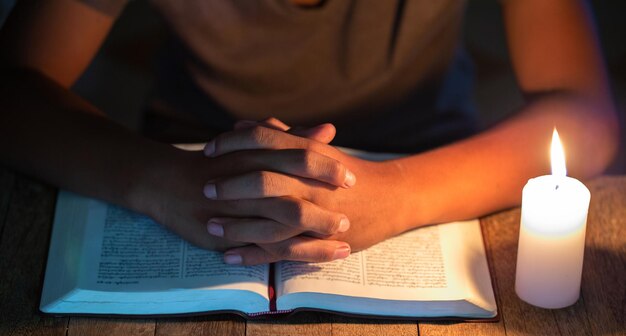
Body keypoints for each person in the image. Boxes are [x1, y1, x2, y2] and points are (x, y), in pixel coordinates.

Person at [0, 0, 618, 265]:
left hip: (438, 162)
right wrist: (157, 179)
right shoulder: (171, 175)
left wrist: (399, 192)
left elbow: (586, 117)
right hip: (188, 161)